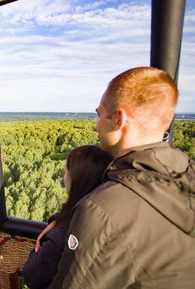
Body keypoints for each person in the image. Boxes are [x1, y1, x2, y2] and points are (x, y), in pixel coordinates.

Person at [49, 67, 195, 289]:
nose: (97, 125)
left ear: (119, 119)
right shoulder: (186, 174)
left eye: (99, 114)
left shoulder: (100, 210)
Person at [22, 145, 113, 289]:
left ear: (75, 180)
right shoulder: (110, 221)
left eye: (66, 171)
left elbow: (31, 276)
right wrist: (56, 219)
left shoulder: (62, 237)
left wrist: (36, 250)